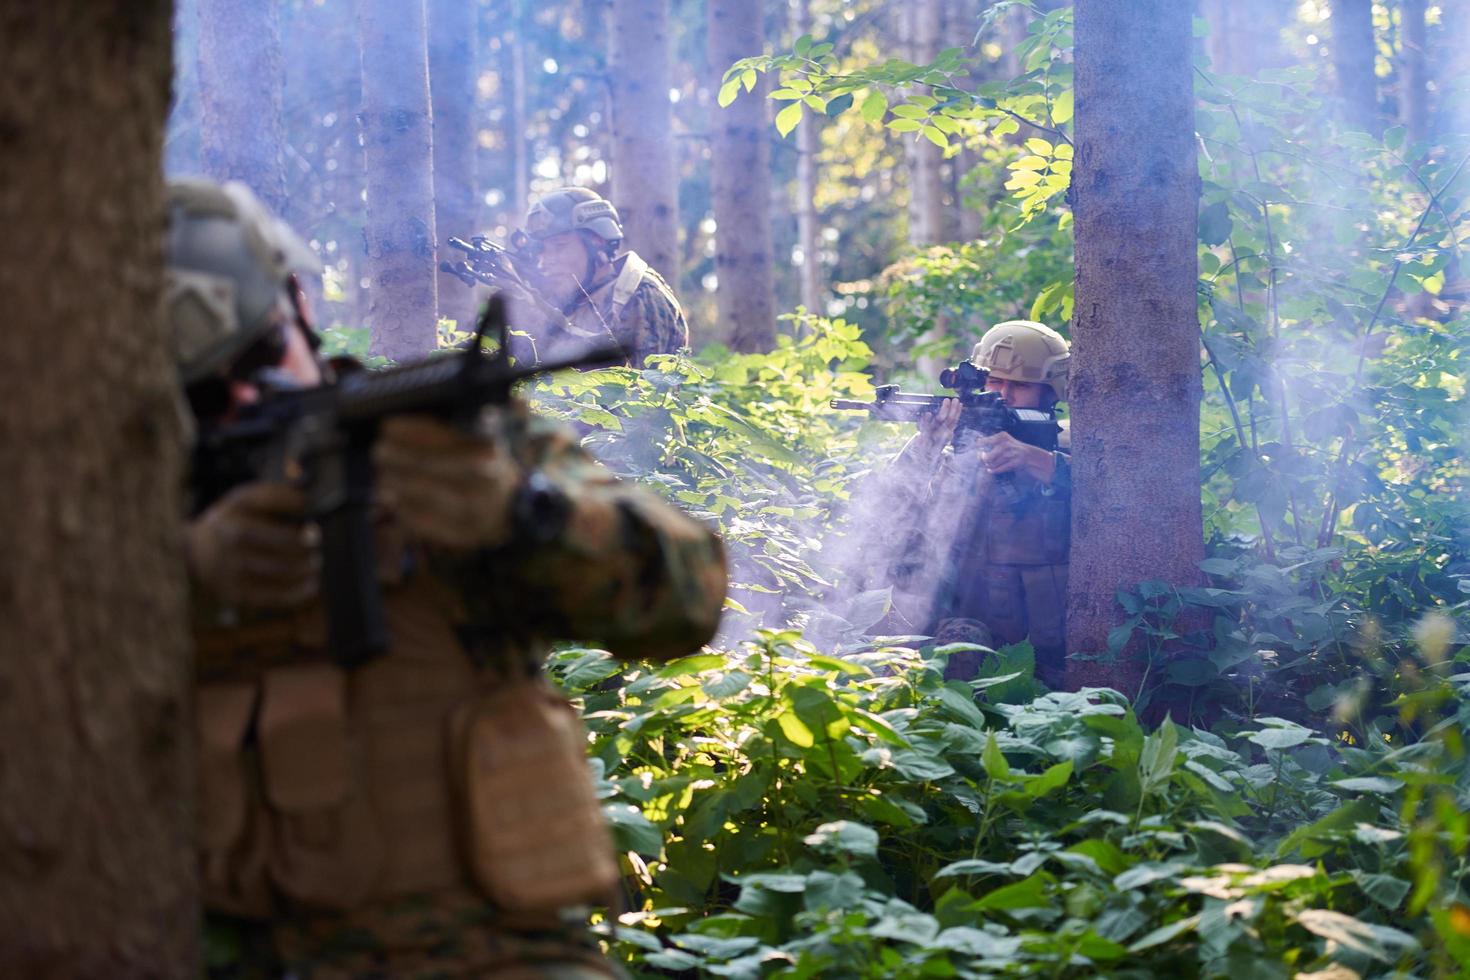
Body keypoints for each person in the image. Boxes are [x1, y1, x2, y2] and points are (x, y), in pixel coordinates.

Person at [167, 178, 727, 978]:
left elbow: (690, 598)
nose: (251, 395)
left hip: (496, 954)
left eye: (259, 355)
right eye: (205, 388)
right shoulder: (133, 498)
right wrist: (181, 578)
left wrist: (524, 517)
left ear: (297, 305)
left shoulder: (440, 440)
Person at [863, 320, 1072, 687]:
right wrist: (925, 449)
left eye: (1020, 385)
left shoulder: (1071, 448)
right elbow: (885, 521)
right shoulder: (955, 455)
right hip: (970, 637)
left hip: (1056, 649)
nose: (1004, 394)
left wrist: (1034, 460)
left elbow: (1114, 501)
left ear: (1050, 392)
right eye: (995, 383)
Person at [509, 187, 688, 367]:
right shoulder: (574, 301)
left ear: (597, 242)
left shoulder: (640, 296)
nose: (545, 262)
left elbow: (643, 389)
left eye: (559, 246)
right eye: (541, 251)